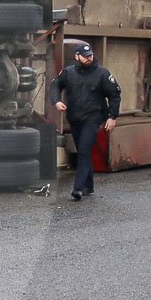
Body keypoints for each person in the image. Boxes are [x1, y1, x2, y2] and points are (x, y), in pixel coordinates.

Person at [50, 44, 121, 201]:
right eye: (85, 56)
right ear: (77, 56)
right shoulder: (69, 73)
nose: (89, 58)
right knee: (84, 151)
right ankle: (89, 186)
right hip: (75, 117)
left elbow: (115, 94)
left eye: (90, 55)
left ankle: (78, 188)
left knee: (83, 150)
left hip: (93, 118)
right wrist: (56, 102)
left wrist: (112, 116)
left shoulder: (102, 73)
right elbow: (55, 85)